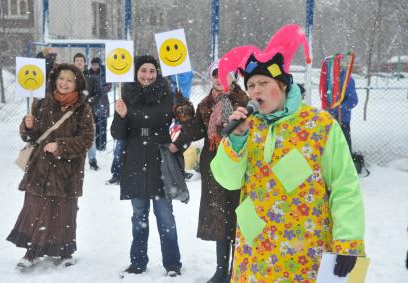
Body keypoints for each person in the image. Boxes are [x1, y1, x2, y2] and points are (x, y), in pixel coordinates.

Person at [210, 24, 365, 282]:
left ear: (282, 85)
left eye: (263, 83)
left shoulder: (319, 125)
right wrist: (236, 143)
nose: (256, 91)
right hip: (255, 251)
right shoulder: (247, 126)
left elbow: (344, 185)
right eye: (251, 85)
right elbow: (228, 180)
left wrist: (348, 239)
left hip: (304, 251)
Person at [7, 63, 94, 268]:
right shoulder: (40, 104)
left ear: (76, 84)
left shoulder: (83, 109)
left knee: (64, 211)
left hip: (68, 170)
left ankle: (64, 251)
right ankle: (32, 251)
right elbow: (31, 136)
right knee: (36, 208)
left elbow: (87, 139)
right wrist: (27, 127)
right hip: (41, 168)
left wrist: (60, 146)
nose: (64, 83)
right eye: (61, 79)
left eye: (69, 80)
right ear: (55, 80)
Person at [111, 55, 190, 277]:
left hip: (160, 159)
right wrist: (122, 116)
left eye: (152, 71)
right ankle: (137, 262)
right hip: (135, 158)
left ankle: (172, 263)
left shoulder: (169, 95)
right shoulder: (125, 95)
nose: (147, 75)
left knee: (165, 215)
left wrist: (177, 145)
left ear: (158, 73)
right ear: (136, 72)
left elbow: (188, 126)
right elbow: (118, 134)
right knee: (139, 216)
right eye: (143, 70)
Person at [183, 61, 248, 282]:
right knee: (221, 217)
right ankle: (221, 271)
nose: (220, 78)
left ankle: (236, 269)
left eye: (225, 74)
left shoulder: (245, 101)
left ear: (234, 76)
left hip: (240, 162)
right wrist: (184, 116)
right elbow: (195, 133)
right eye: (215, 75)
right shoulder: (204, 104)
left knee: (240, 216)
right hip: (214, 164)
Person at [73, 53, 102, 170]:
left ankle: (92, 160)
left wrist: (89, 102)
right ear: (74, 62)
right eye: (77, 60)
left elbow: (99, 93)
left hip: (88, 112)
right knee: (73, 137)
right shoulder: (70, 77)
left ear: (85, 62)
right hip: (72, 113)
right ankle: (74, 159)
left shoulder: (91, 77)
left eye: (81, 60)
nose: (79, 62)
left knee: (90, 137)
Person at [328, 68, 358, 154]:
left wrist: (338, 110)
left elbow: (353, 100)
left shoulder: (346, 80)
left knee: (344, 146)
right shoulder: (329, 77)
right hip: (329, 118)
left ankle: (349, 164)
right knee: (332, 146)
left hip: (342, 119)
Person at [89, 57, 112, 151]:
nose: (94, 66)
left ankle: (101, 146)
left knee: (102, 126)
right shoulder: (89, 73)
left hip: (102, 102)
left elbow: (108, 86)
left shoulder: (105, 74)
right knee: (92, 127)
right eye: (93, 64)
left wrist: (99, 90)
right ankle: (92, 146)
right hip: (92, 103)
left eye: (96, 64)